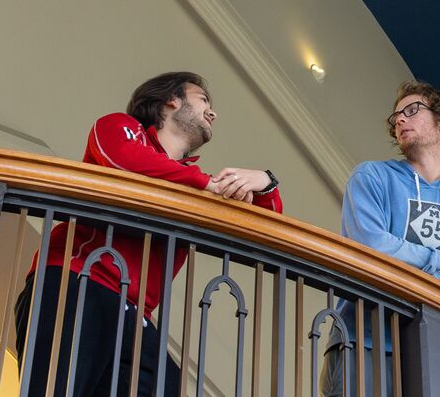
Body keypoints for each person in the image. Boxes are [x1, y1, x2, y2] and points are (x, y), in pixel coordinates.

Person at [21, 71, 284, 397]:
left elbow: (265, 238)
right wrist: (207, 186)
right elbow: (127, 162)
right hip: (78, 279)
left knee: (165, 385)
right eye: (203, 100)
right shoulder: (121, 127)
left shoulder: (196, 183)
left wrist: (266, 184)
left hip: (133, 312)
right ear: (171, 100)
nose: (212, 112)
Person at [322, 80, 440, 396]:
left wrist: (402, 262)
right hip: (363, 340)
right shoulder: (372, 176)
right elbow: (371, 248)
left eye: (412, 111)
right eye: (396, 116)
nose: (400, 119)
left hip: (435, 352)